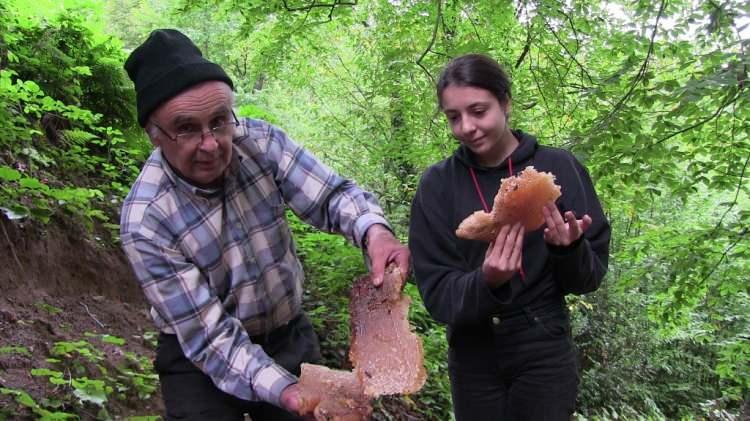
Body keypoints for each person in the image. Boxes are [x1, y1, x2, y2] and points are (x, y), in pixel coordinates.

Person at [119, 29, 409, 421]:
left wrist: (375, 231)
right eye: (187, 128)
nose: (211, 143)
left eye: (219, 121)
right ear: (155, 135)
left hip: (288, 337)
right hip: (197, 360)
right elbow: (210, 336)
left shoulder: (258, 141)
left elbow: (331, 195)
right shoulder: (146, 219)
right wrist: (287, 392)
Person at [408, 54, 611, 420]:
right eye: (454, 117)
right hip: (473, 354)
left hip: (543, 345)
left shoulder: (559, 168)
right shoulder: (437, 186)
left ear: (505, 103)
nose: (467, 127)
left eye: (479, 111)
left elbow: (588, 279)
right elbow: (437, 295)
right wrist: (487, 281)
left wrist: (569, 249)